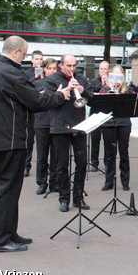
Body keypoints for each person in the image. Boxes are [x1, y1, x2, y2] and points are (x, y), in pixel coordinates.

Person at [0, 36, 68, 253]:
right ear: (17, 52)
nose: (26, 58)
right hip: (9, 140)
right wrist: (60, 95)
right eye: (26, 54)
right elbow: (37, 103)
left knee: (9, 187)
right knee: (7, 189)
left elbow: (18, 98)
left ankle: (9, 232)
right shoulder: (11, 74)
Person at [45, 54, 93, 212]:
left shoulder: (81, 78)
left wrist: (82, 90)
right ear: (61, 65)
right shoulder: (52, 79)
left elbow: (91, 99)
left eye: (74, 66)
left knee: (81, 163)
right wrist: (67, 89)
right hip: (60, 126)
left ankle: (78, 198)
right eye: (69, 66)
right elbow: (49, 101)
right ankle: (64, 198)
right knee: (61, 165)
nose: (72, 69)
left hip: (79, 125)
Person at [101, 65, 135, 191]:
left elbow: (131, 105)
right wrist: (110, 90)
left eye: (119, 76)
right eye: (113, 76)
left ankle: (125, 181)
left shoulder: (128, 90)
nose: (116, 80)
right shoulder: (104, 89)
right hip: (109, 123)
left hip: (124, 123)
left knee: (124, 152)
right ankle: (109, 181)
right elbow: (101, 106)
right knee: (109, 153)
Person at [35, 58, 60, 195]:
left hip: (56, 122)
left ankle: (54, 182)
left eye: (54, 68)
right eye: (49, 68)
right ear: (44, 69)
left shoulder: (59, 83)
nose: (52, 71)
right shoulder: (37, 84)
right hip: (41, 122)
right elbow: (34, 101)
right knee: (42, 155)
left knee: (56, 155)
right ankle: (41, 182)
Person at [23, 50, 44, 177]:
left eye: (41, 59)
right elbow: (24, 87)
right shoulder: (26, 73)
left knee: (43, 143)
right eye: (37, 59)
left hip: (43, 111)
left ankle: (43, 167)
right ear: (32, 60)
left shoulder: (46, 73)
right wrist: (35, 78)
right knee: (29, 140)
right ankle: (26, 166)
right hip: (32, 112)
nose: (39, 61)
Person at [89, 60, 110, 172]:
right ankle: (94, 163)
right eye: (101, 69)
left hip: (106, 114)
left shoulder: (111, 82)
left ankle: (107, 162)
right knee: (95, 140)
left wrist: (108, 85)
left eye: (105, 69)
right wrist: (101, 86)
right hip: (95, 114)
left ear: (108, 70)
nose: (103, 71)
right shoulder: (93, 82)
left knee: (107, 140)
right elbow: (90, 95)